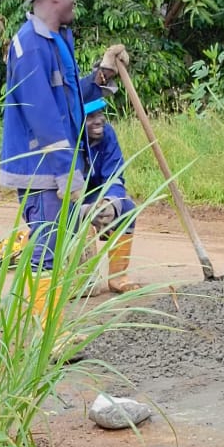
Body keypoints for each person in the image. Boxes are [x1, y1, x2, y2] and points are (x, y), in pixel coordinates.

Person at [0, 0, 128, 319]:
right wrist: (65, 174)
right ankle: (42, 335)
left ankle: (53, 329)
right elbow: (43, 119)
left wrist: (102, 75)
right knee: (47, 249)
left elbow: (69, 101)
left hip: (61, 167)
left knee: (60, 247)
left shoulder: (57, 40)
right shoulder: (29, 47)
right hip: (43, 170)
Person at [80, 77, 139, 292]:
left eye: (100, 114)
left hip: (97, 196)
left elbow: (114, 176)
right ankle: (81, 279)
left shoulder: (108, 135)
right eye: (90, 116)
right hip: (68, 202)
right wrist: (85, 210)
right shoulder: (67, 142)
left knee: (126, 207)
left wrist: (110, 203)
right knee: (76, 220)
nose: (99, 120)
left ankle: (117, 276)